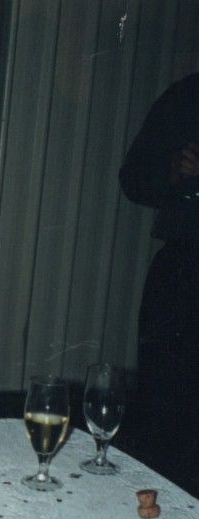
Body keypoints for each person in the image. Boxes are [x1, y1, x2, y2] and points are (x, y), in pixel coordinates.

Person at [118, 71, 199, 496]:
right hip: (184, 265)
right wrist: (170, 173)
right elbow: (132, 178)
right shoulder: (185, 94)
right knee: (161, 406)